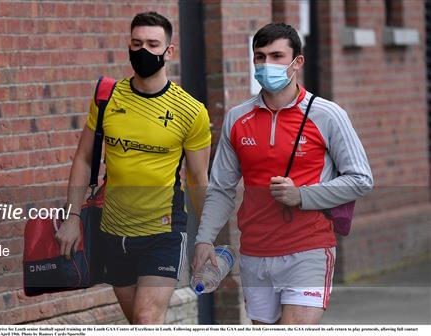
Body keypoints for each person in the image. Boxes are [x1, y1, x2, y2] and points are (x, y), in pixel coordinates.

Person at [192, 23, 373, 325]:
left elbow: (361, 179)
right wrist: (204, 240)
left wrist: (302, 195)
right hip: (255, 251)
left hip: (309, 248)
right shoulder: (237, 118)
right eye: (259, 57)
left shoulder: (327, 114)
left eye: (276, 56)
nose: (266, 64)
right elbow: (221, 188)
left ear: (297, 62)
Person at [56, 12, 211, 324]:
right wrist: (72, 216)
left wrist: (207, 237)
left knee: (146, 318)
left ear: (169, 51)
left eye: (153, 44)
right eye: (136, 43)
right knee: (137, 322)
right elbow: (84, 158)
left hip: (163, 232)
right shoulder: (107, 99)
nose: (143, 51)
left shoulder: (191, 111)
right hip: (112, 231)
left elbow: (197, 179)